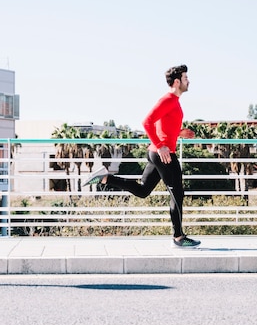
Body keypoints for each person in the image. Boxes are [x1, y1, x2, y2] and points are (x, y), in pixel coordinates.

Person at [83, 64, 200, 248]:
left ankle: (105, 178)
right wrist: (161, 146)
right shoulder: (168, 99)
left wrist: (179, 132)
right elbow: (147, 122)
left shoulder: (174, 101)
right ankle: (178, 237)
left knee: (143, 190)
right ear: (177, 82)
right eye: (186, 78)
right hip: (164, 154)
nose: (189, 81)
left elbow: (163, 126)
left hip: (158, 152)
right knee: (177, 192)